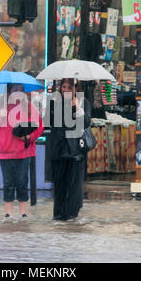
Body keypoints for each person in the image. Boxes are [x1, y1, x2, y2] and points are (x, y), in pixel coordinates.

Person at [0, 83, 44, 220]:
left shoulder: (29, 107)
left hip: (23, 151)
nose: (18, 92)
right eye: (15, 89)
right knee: (8, 182)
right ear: (9, 91)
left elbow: (39, 126)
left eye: (20, 89)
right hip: (4, 151)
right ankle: (9, 213)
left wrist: (29, 137)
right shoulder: (0, 106)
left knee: (22, 181)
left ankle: (23, 213)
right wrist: (1, 116)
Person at [45, 78, 92, 221]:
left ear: (76, 89)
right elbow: (48, 122)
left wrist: (77, 108)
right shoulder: (53, 102)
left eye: (69, 87)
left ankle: (72, 215)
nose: (66, 90)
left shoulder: (83, 102)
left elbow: (86, 123)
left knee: (73, 186)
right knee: (59, 185)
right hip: (58, 150)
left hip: (75, 150)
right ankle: (58, 215)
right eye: (63, 87)